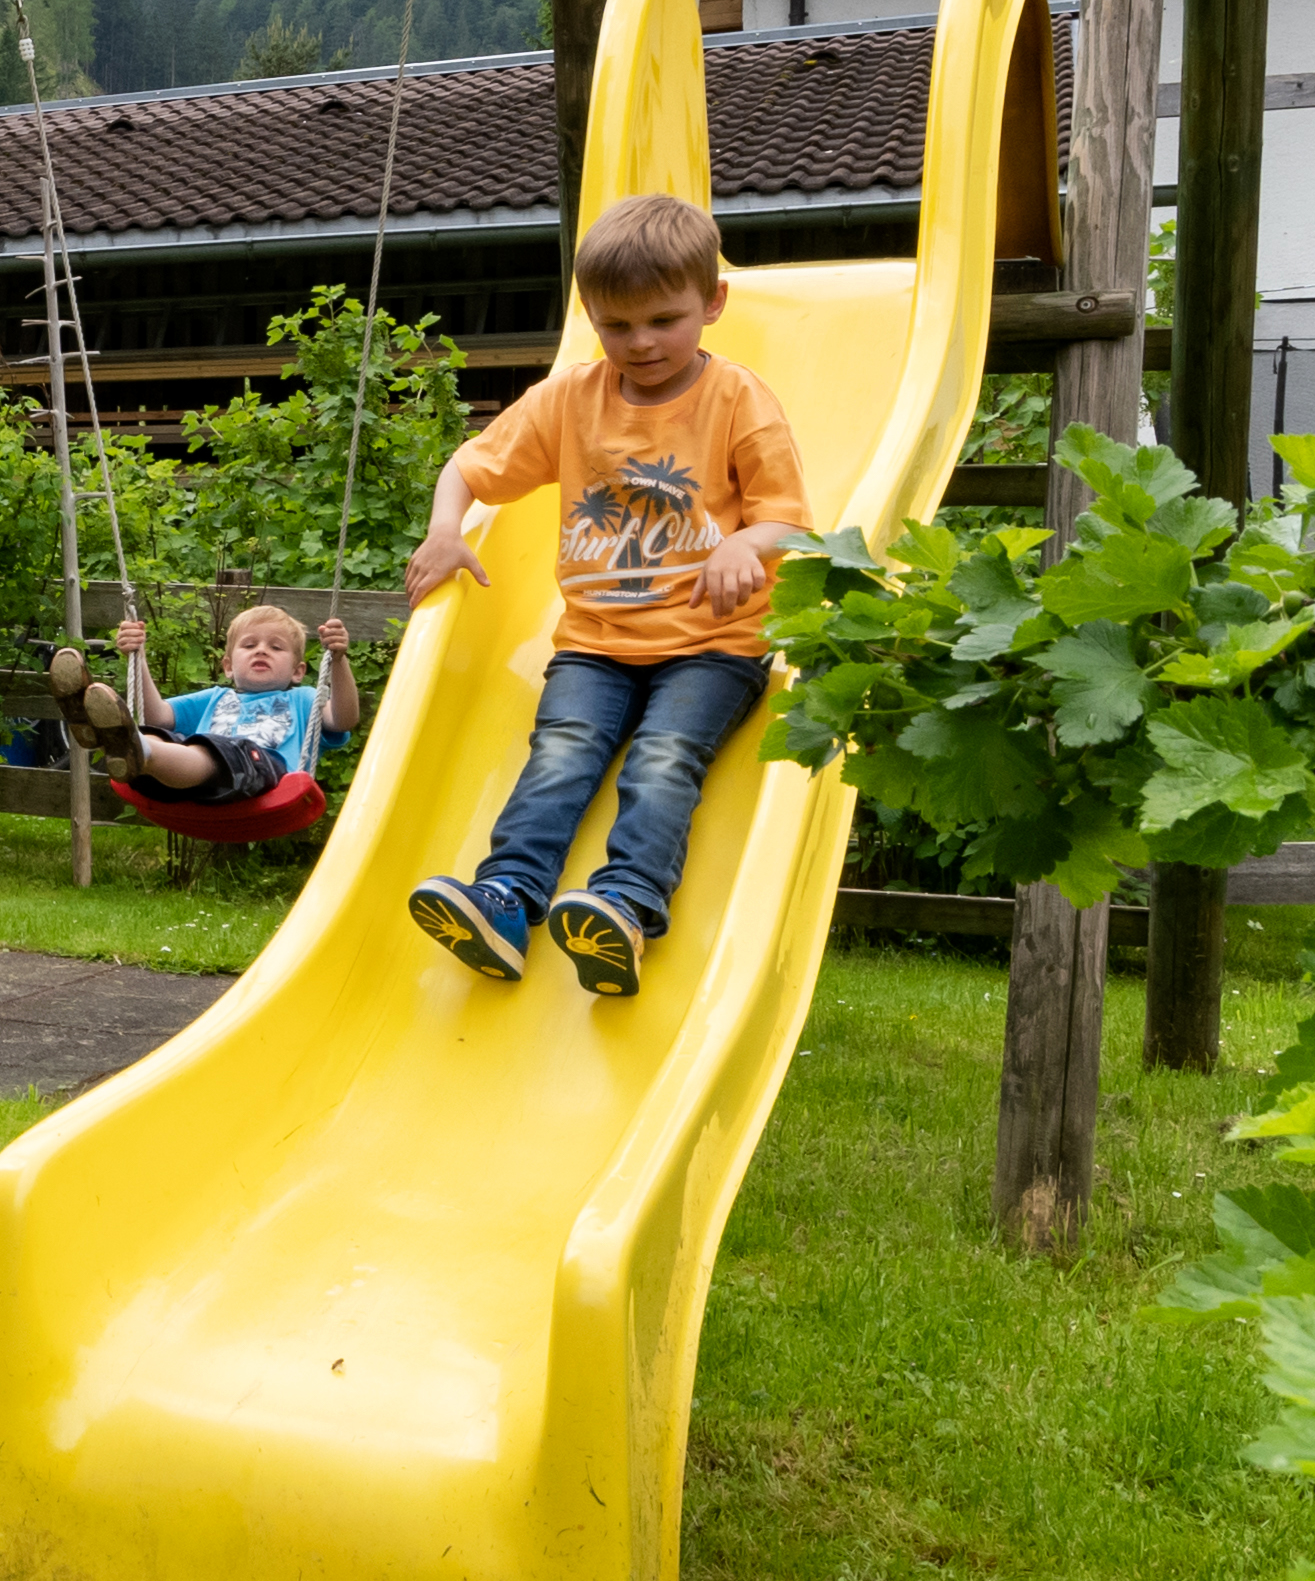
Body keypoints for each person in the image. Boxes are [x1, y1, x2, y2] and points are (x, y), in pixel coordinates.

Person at [400, 192, 812, 998]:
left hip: (711, 646)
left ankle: (624, 907)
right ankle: (509, 902)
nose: (641, 342)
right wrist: (447, 528)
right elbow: (469, 467)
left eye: (663, 319)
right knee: (558, 753)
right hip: (595, 642)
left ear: (713, 303)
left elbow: (791, 525)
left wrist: (742, 543)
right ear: (590, 314)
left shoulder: (737, 402)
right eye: (617, 326)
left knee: (663, 760)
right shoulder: (570, 401)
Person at [49, 598, 356, 803]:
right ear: (228, 667)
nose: (261, 651)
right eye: (249, 645)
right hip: (188, 787)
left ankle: (127, 743)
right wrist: (137, 656)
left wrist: (339, 660)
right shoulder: (216, 697)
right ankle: (113, 736)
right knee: (158, 735)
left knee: (213, 750)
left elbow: (343, 719)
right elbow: (158, 715)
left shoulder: (303, 699)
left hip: (259, 778)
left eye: (276, 648)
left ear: (298, 671)